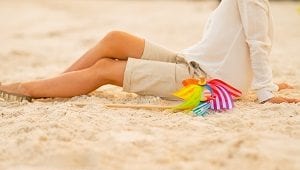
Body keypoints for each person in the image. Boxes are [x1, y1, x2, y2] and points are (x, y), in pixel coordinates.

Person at [0, 0, 299, 104]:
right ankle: (56, 83)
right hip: (194, 62)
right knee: (114, 39)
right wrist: (261, 84)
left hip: (207, 82)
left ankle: (30, 89)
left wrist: (265, 91)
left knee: (105, 70)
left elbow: (259, 45)